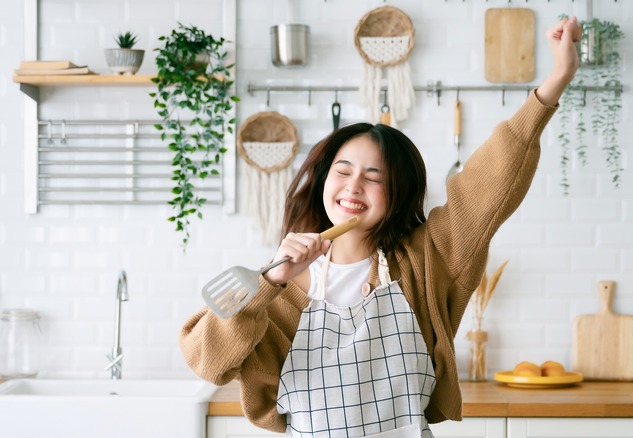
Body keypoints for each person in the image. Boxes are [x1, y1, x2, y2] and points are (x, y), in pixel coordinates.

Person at [180, 17, 582, 438]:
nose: (354, 186)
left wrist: (556, 79)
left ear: (397, 194)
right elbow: (207, 362)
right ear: (323, 181)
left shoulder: (429, 260)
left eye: (374, 177)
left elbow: (487, 184)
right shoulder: (278, 289)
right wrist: (270, 279)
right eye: (343, 170)